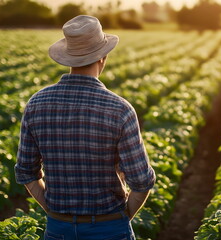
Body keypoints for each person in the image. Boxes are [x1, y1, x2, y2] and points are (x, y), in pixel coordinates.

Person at [14, 15, 156, 240]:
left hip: (58, 229)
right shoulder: (120, 109)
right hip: (109, 227)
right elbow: (141, 181)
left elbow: (26, 172)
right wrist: (121, 218)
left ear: (68, 58)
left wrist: (54, 212)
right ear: (103, 57)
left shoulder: (36, 104)